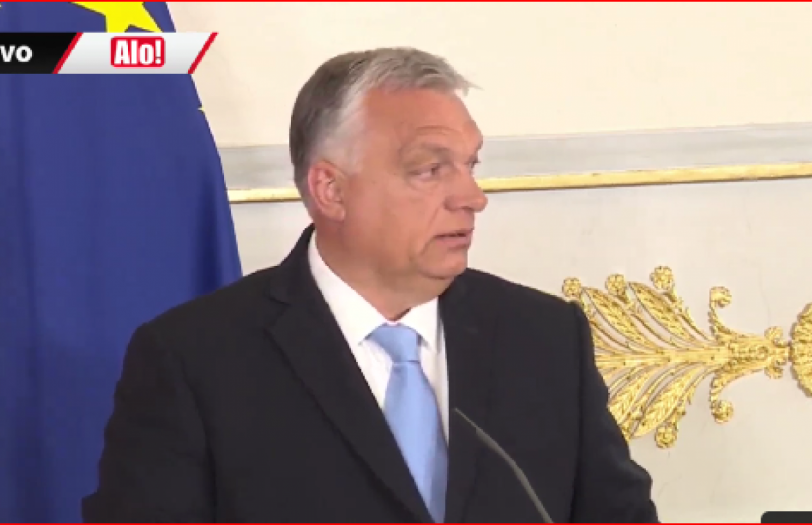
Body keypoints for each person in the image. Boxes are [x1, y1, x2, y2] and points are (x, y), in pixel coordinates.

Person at [82, 47, 659, 523]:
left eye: (470, 165)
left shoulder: (544, 338)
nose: (471, 197)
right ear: (331, 190)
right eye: (430, 169)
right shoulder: (195, 359)